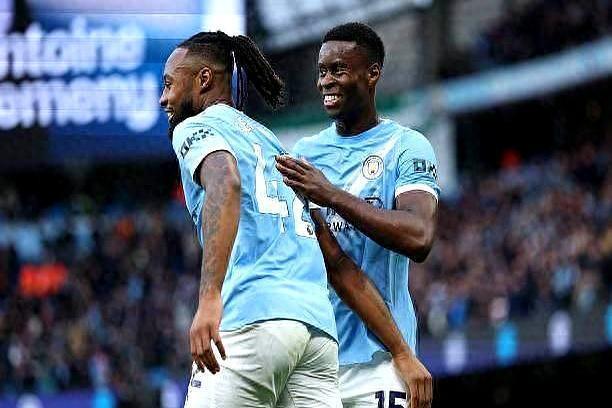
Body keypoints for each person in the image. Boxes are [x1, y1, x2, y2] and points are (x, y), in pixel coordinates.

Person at [159, 31, 342, 408]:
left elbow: (225, 182)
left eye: (169, 84)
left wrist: (209, 298)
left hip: (254, 316)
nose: (164, 98)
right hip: (317, 332)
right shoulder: (270, 140)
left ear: (203, 79)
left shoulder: (194, 126)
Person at [276, 22, 439, 408]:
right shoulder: (305, 155)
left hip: (381, 361)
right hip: (314, 363)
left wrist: (330, 194)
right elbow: (327, 261)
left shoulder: (406, 146)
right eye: (322, 71)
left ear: (372, 73)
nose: (325, 82)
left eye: (338, 70)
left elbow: (419, 236)